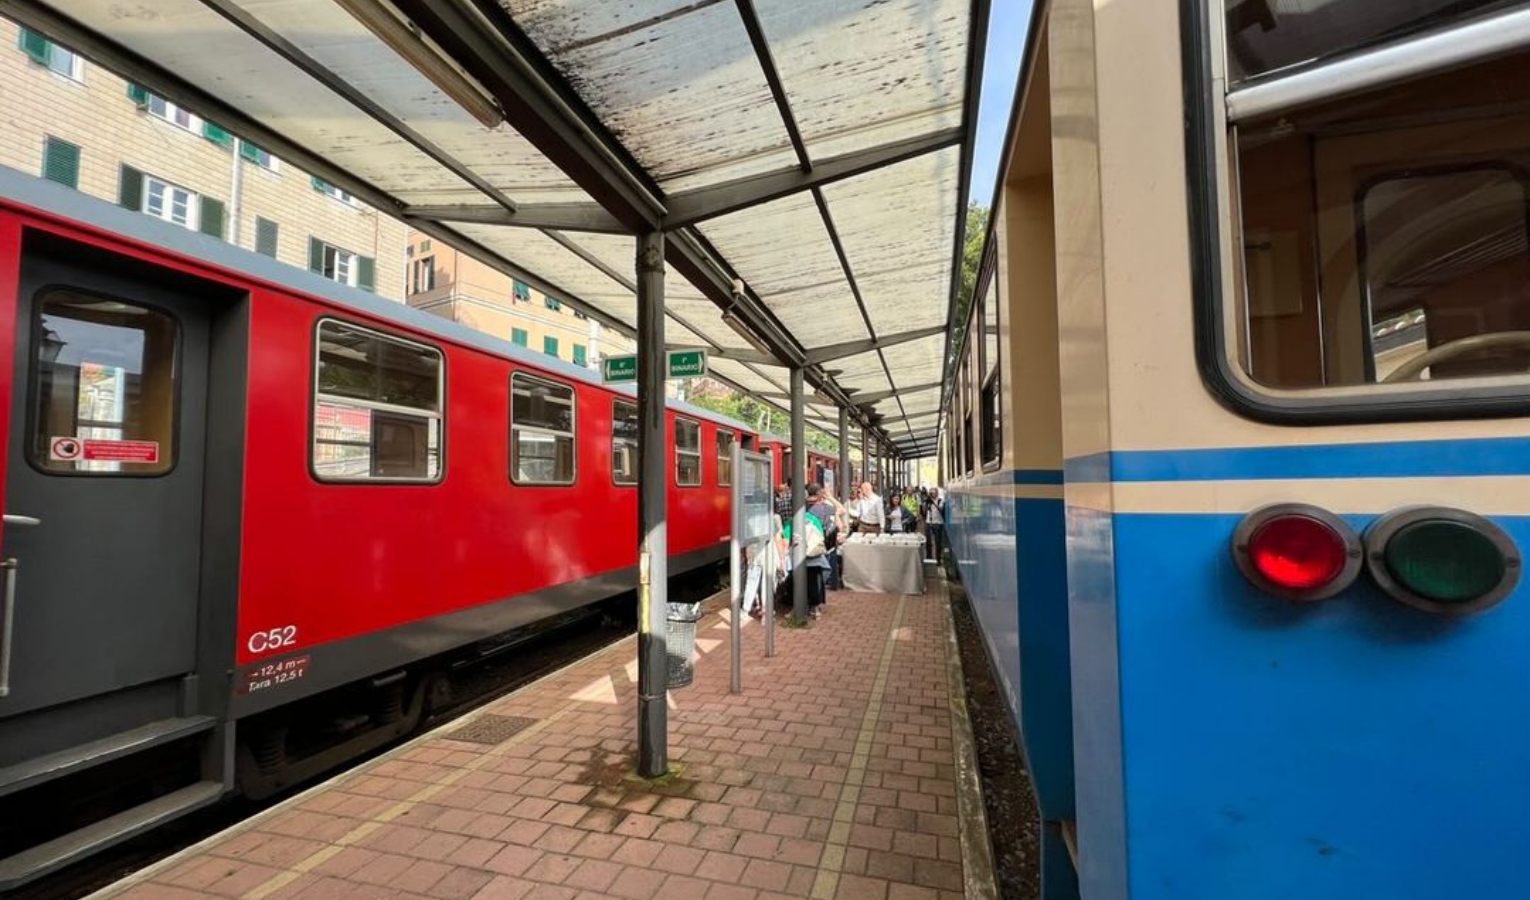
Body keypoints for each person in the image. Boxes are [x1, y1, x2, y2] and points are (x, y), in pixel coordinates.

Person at [925, 487, 945, 564]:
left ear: (937, 493)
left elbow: (941, 510)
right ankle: (929, 557)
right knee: (928, 542)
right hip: (929, 522)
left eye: (933, 493)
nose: (932, 494)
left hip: (938, 523)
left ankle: (938, 559)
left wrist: (933, 502)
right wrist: (926, 503)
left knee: (938, 542)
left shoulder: (940, 500)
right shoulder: (928, 501)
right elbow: (924, 511)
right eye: (931, 493)